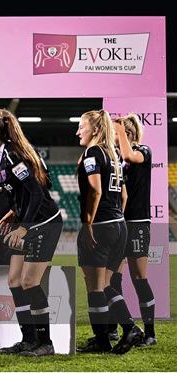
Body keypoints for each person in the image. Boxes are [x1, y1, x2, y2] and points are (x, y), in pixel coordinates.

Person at [0, 110, 63, 356]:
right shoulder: (0, 157)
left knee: (29, 282)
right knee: (14, 281)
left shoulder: (12, 155)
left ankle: (46, 343)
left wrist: (23, 226)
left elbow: (37, 192)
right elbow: (25, 191)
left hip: (44, 223)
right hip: (26, 222)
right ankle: (28, 340)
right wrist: (14, 211)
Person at [75, 110, 144, 354]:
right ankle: (123, 331)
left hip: (101, 226)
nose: (77, 131)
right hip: (118, 225)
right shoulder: (112, 153)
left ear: (94, 129)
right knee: (105, 285)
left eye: (81, 126)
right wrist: (115, 219)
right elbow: (123, 195)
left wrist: (87, 224)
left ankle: (110, 336)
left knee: (95, 287)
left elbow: (95, 191)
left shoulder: (93, 153)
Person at [110, 114, 156, 346]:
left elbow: (130, 155)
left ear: (126, 134)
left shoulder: (144, 151)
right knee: (113, 278)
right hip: (118, 223)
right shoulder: (115, 157)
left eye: (117, 133)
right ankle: (119, 329)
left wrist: (118, 129)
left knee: (139, 277)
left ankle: (150, 334)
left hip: (137, 223)